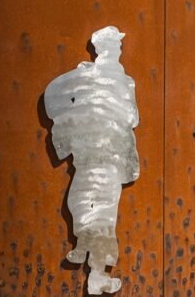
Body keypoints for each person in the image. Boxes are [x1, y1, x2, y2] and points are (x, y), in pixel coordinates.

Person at [45, 26, 139, 295]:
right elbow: (133, 117)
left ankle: (97, 273)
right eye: (116, 45)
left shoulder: (111, 80)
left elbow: (132, 118)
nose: (118, 49)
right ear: (109, 48)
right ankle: (86, 246)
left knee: (98, 209)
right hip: (95, 155)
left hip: (103, 157)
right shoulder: (91, 76)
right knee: (84, 202)